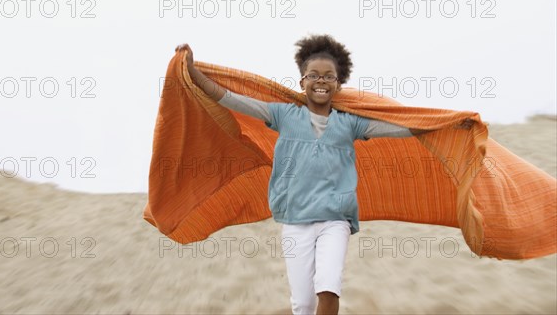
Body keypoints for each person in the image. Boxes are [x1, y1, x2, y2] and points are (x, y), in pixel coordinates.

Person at [174, 35, 472, 315]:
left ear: (338, 84)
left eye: (329, 76)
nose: (321, 81)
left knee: (328, 288)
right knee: (302, 304)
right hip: (295, 222)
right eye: (313, 75)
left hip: (335, 220)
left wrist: (449, 124)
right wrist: (193, 73)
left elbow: (400, 127)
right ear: (302, 80)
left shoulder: (349, 124)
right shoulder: (283, 115)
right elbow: (230, 98)